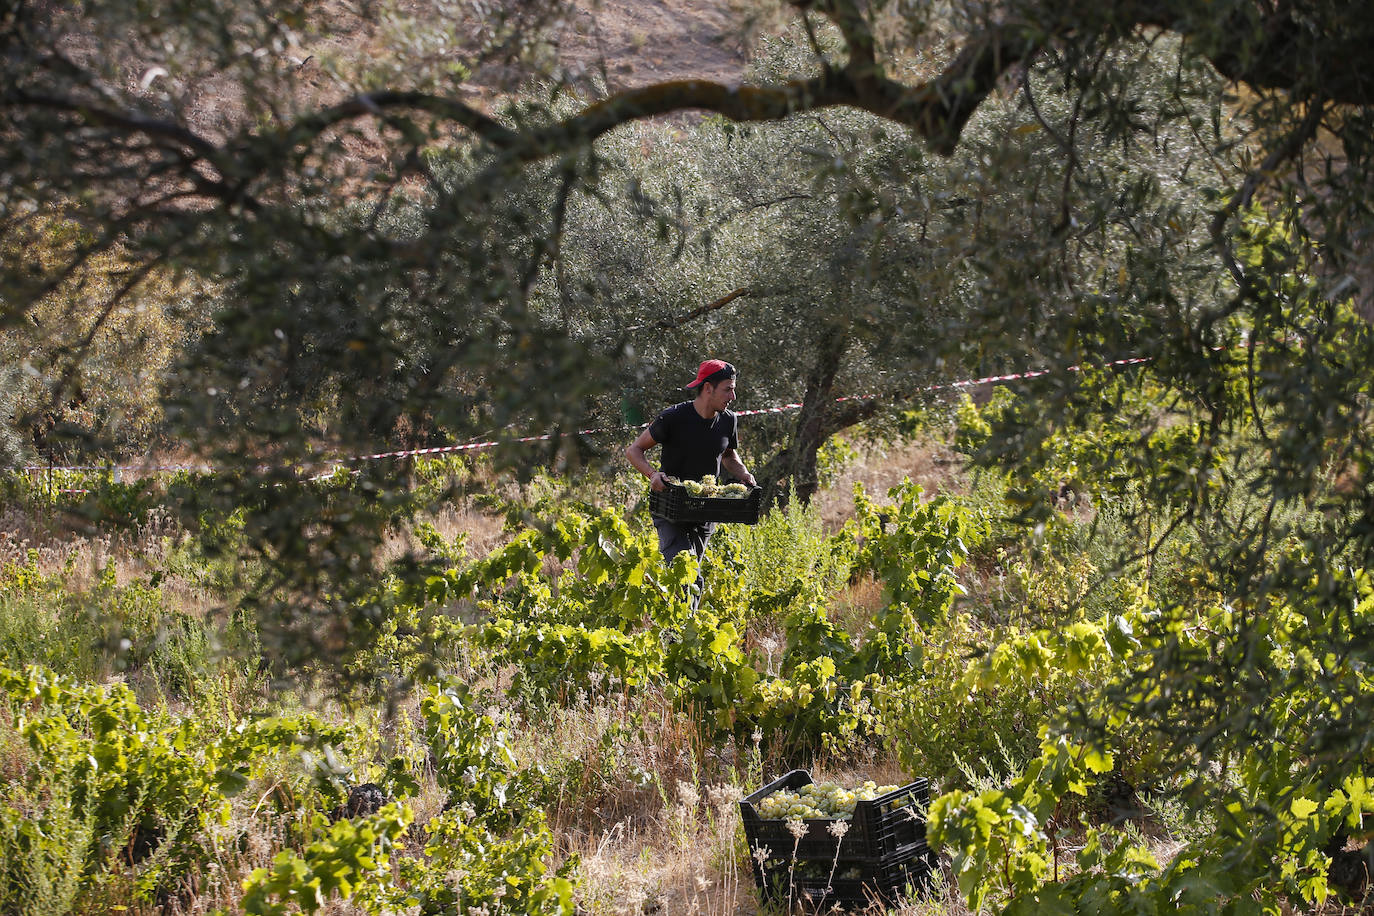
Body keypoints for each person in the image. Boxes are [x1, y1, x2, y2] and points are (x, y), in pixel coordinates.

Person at [625, 359, 758, 606]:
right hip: (670, 508)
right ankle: (677, 635)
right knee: (687, 578)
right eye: (728, 389)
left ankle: (677, 633)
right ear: (708, 388)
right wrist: (653, 474)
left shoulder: (728, 420)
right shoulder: (673, 417)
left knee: (689, 580)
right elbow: (634, 451)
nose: (733, 396)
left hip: (705, 511)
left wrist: (744, 474)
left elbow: (728, 455)